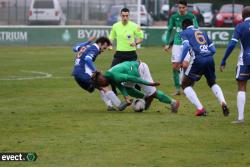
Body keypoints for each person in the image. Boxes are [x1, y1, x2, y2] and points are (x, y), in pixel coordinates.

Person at [180, 18, 229, 116]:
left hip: (198, 60)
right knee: (212, 83)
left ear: (184, 26)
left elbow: (185, 46)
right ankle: (223, 102)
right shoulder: (203, 32)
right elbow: (213, 50)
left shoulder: (184, 32)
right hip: (209, 58)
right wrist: (206, 54)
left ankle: (200, 109)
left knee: (185, 85)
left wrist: (181, 60)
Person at [92, 61, 180, 113]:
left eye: (101, 84)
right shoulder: (108, 75)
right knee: (127, 88)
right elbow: (120, 85)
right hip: (132, 71)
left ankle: (174, 103)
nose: (103, 86)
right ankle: (146, 98)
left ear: (102, 80)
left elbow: (133, 78)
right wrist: (126, 97)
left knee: (153, 93)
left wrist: (149, 84)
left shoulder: (115, 76)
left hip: (140, 69)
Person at [72, 36, 127, 111]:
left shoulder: (86, 46)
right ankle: (119, 104)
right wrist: (95, 70)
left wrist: (88, 41)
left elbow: (75, 48)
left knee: (100, 87)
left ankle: (110, 106)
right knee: (104, 85)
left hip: (76, 74)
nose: (103, 50)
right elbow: (88, 59)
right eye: (104, 47)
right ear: (101, 43)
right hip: (83, 72)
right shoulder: (95, 48)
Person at [220, 6, 250, 123]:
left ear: (242, 16)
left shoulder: (240, 26)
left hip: (245, 60)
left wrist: (224, 60)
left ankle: (241, 118)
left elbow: (232, 44)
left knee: (241, 86)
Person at [163, 0, 198, 95]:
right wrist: (167, 43)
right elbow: (170, 29)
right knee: (175, 67)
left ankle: (187, 86)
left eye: (183, 7)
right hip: (177, 44)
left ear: (186, 7)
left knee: (186, 65)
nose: (181, 9)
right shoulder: (174, 17)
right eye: (179, 7)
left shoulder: (191, 16)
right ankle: (177, 89)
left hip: (188, 43)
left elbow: (196, 29)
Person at [109, 7, 144, 94]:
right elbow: (111, 38)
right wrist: (110, 45)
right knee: (111, 73)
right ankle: (114, 91)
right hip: (119, 54)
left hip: (131, 54)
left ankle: (138, 95)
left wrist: (135, 43)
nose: (125, 17)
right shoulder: (115, 26)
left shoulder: (135, 26)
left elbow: (141, 38)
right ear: (120, 15)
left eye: (126, 16)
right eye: (123, 16)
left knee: (135, 75)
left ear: (129, 16)